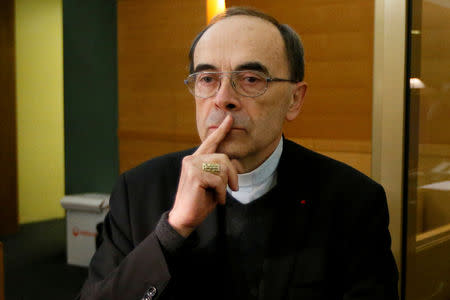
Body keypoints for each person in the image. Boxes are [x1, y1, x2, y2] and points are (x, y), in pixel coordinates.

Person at [78, 7, 399, 300]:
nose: (223, 99)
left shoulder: (353, 200)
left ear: (294, 99)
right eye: (207, 79)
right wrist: (172, 231)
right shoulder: (138, 191)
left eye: (250, 79)